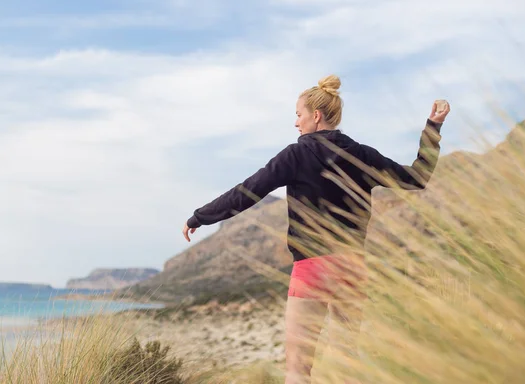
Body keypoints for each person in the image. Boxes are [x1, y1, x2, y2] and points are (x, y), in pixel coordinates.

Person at [182, 74, 450, 383]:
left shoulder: (296, 155)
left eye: (299, 114)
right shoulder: (361, 154)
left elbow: (248, 191)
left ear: (316, 116)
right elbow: (416, 178)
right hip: (352, 268)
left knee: (298, 368)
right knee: (345, 363)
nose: (296, 122)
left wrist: (200, 217)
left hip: (311, 267)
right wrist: (433, 128)